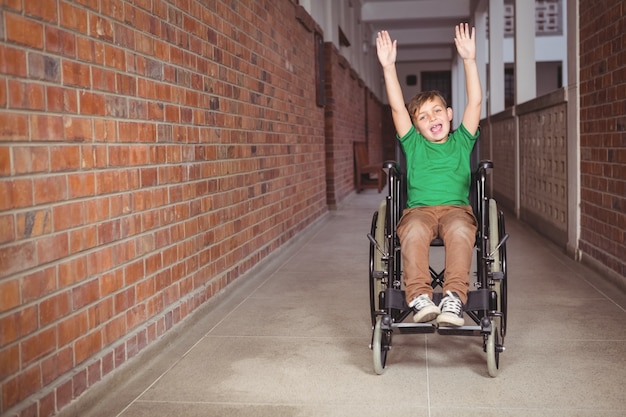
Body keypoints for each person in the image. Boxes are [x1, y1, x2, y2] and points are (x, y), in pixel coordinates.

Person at [375, 23, 482, 327]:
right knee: (412, 232)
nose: (431, 118)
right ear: (416, 126)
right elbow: (397, 107)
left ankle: (453, 298)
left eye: (437, 111)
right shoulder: (414, 144)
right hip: (419, 211)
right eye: (422, 116)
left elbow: (474, 102)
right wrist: (388, 67)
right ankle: (420, 296)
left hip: (456, 210)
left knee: (462, 231)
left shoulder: (462, 141)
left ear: (450, 114)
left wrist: (469, 60)